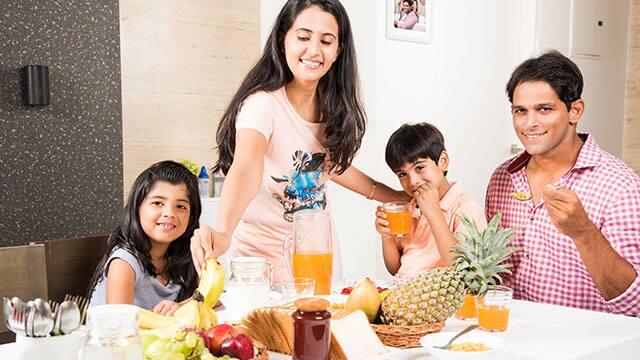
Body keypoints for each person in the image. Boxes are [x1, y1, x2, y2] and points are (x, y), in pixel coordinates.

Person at [190, 0, 408, 282]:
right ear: (283, 39)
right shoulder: (262, 106)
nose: (314, 50)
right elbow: (245, 168)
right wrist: (223, 231)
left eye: (326, 41)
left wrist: (400, 197)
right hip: (260, 265)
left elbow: (332, 167)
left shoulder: (332, 108)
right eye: (303, 37)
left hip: (319, 259)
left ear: (338, 51)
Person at [486, 50, 640, 316]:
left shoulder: (620, 186)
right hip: (510, 339)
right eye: (520, 111)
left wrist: (584, 233)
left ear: (575, 110)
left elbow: (634, 304)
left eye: (544, 109)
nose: (530, 123)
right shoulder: (502, 179)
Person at [88, 161, 201, 316]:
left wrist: (180, 307)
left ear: (192, 216)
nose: (169, 213)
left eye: (180, 206)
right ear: (137, 208)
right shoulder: (124, 262)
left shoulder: (185, 257)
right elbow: (120, 323)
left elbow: (213, 299)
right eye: (157, 203)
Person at [375, 123, 486, 277]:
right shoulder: (409, 208)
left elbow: (463, 273)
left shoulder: (466, 209)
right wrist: (386, 237)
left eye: (419, 168)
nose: (412, 181)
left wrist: (434, 212)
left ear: (443, 161)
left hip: (442, 298)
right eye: (402, 174)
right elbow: (396, 269)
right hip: (405, 292)